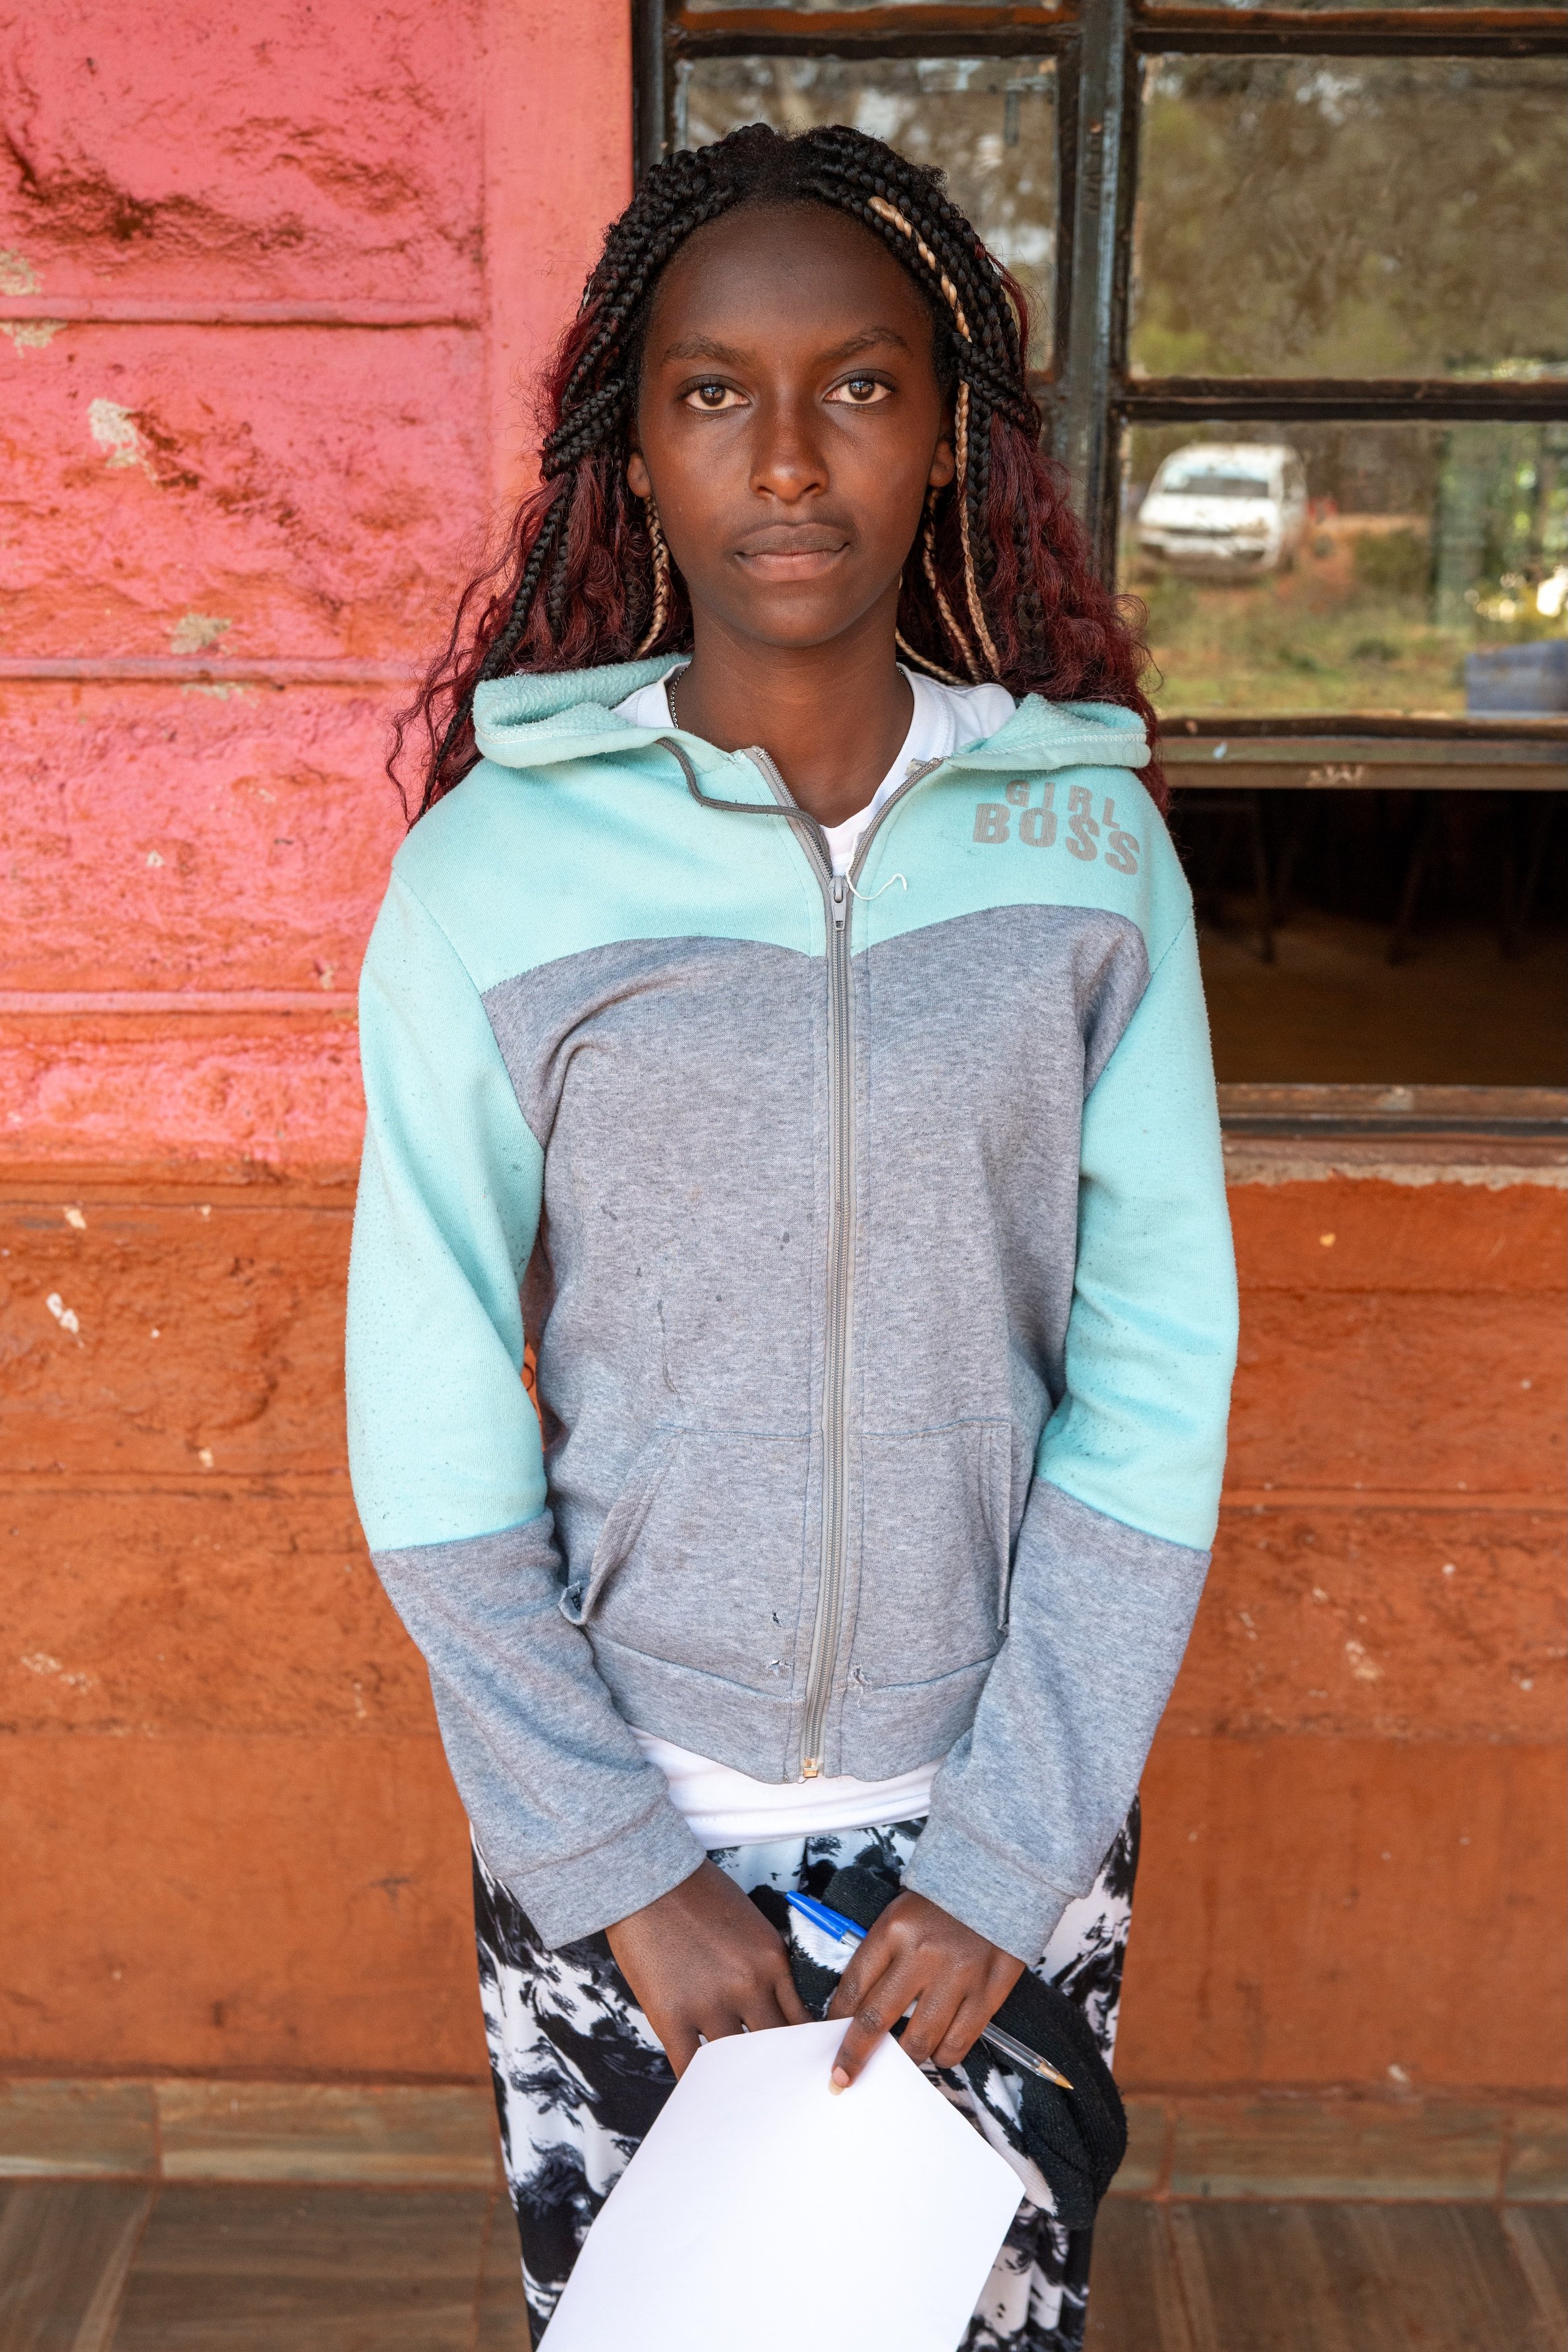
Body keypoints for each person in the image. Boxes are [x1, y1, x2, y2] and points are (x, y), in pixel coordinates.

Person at [347, 122, 1237, 2351]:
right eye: (711, 393)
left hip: (993, 1831)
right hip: (624, 1837)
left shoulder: (1087, 849)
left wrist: (1010, 1861)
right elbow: (431, 1404)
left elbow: (1152, 1375)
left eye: (857, 386)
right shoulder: (492, 878)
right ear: (630, 457)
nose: (787, 456)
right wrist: (616, 1871)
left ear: (943, 444)